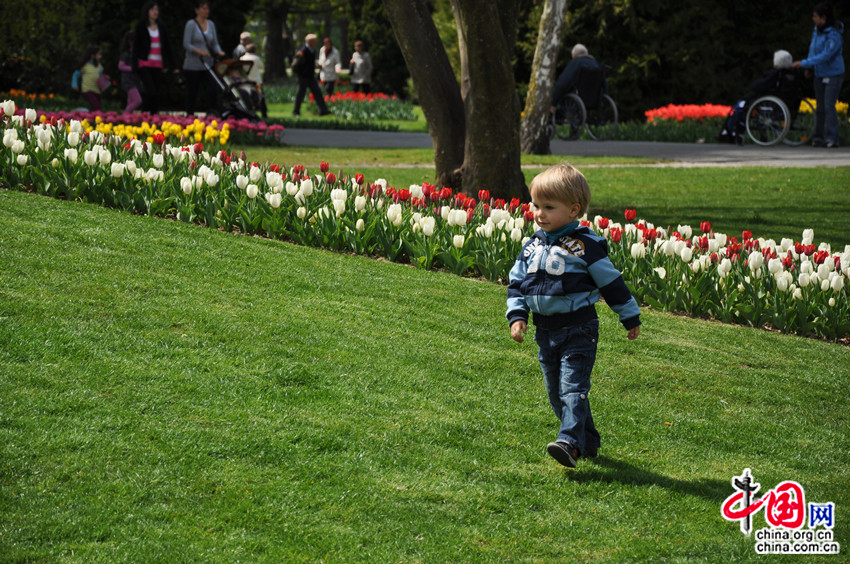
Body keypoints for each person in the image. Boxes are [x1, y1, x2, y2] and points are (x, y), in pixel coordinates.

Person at [507, 164, 641, 468]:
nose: (540, 213)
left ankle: (569, 443)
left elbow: (611, 282)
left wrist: (629, 315)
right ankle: (589, 442)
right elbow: (517, 283)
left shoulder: (585, 245)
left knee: (572, 389)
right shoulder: (532, 246)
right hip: (545, 332)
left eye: (549, 207)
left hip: (578, 329)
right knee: (557, 393)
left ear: (573, 210)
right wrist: (518, 317)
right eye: (536, 205)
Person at [716, 50, 801, 144]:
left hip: (770, 103)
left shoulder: (776, 74)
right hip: (789, 104)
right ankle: (729, 132)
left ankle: (729, 132)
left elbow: (759, 86)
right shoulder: (794, 74)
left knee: (741, 105)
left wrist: (753, 85)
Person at [793, 3, 845, 148]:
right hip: (820, 73)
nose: (813, 19)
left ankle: (833, 138)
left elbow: (826, 55)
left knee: (829, 105)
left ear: (823, 18)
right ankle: (818, 137)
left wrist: (803, 63)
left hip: (833, 74)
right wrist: (809, 66)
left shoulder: (834, 35)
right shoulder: (817, 30)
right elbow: (813, 49)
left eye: (815, 16)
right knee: (820, 107)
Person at [132, 1, 178, 114]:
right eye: (153, 10)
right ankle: (144, 113)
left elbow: (167, 47)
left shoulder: (161, 27)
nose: (155, 12)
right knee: (150, 91)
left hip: (157, 64)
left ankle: (153, 116)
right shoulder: (141, 26)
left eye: (157, 10)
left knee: (156, 93)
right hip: (145, 64)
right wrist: (134, 65)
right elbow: (136, 46)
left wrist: (173, 65)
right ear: (147, 12)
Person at [182, 0, 225, 116]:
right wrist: (200, 51)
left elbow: (214, 43)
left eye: (207, 8)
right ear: (197, 10)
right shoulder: (191, 24)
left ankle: (213, 114)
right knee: (192, 92)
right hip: (193, 64)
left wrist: (219, 51)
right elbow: (186, 44)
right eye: (204, 8)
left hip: (208, 64)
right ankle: (189, 115)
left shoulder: (211, 24)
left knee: (213, 89)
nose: (206, 11)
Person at [290, 33, 330, 116]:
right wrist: (299, 73)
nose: (315, 43)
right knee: (300, 94)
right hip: (303, 77)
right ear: (309, 42)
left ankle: (323, 110)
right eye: (314, 41)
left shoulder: (313, 51)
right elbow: (296, 64)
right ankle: (296, 111)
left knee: (317, 93)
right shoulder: (302, 51)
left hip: (311, 76)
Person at [118, 31, 143, 114]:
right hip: (128, 81)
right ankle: (124, 116)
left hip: (135, 80)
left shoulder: (136, 54)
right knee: (137, 100)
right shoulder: (125, 54)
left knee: (130, 101)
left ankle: (129, 119)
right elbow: (121, 66)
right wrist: (132, 68)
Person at [240, 44, 267, 118]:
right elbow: (262, 66)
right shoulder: (256, 58)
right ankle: (264, 113)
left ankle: (249, 110)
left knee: (248, 96)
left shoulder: (241, 58)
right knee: (261, 96)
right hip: (256, 82)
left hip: (247, 81)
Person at [79, 45, 105, 111]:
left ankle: (89, 117)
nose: (100, 56)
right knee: (96, 106)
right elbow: (76, 74)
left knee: (97, 107)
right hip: (87, 89)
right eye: (98, 54)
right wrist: (74, 84)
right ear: (92, 55)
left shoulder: (99, 66)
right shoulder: (85, 66)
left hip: (97, 90)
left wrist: (105, 80)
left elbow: (101, 77)